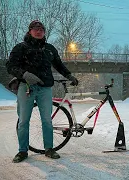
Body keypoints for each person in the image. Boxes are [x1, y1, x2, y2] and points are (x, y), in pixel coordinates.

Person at [6, 20, 79, 163]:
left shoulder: (49, 49)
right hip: (26, 87)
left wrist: (69, 75)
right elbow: (10, 66)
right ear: (29, 31)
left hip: (45, 88)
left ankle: (49, 149)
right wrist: (25, 74)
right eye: (35, 28)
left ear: (44, 32)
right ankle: (22, 151)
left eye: (41, 29)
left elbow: (59, 65)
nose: (39, 31)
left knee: (47, 120)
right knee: (23, 121)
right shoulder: (21, 48)